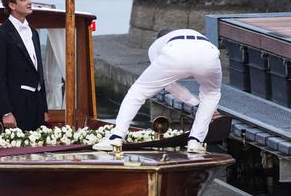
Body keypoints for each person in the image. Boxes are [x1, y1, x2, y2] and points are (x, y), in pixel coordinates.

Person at [93, 28, 222, 154]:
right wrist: (204, 106)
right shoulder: (189, 33)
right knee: (211, 94)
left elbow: (170, 86)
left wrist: (195, 103)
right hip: (208, 53)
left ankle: (116, 137)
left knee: (137, 92)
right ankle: (195, 141)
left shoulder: (156, 46)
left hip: (175, 52)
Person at [0, 0, 48, 131]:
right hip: (16, 105)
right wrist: (6, 112)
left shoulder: (33, 32)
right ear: (12, 5)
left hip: (36, 103)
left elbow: (38, 69)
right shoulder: (0, 36)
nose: (29, 2)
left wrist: (44, 107)